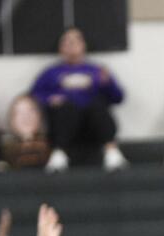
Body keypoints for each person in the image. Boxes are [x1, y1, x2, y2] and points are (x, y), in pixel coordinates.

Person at [30, 27, 128, 173]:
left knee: (96, 104)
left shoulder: (97, 71)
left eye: (76, 40)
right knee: (67, 107)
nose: (71, 44)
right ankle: (59, 154)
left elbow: (118, 98)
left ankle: (111, 152)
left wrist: (107, 84)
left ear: (84, 45)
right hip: (64, 126)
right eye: (67, 41)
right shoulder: (51, 73)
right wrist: (50, 99)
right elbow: (33, 95)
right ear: (60, 47)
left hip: (94, 127)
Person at [0, 95, 53, 170]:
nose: (26, 117)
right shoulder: (2, 153)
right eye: (19, 113)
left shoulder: (53, 148)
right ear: (11, 120)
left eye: (31, 111)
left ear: (39, 116)